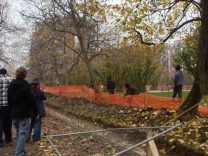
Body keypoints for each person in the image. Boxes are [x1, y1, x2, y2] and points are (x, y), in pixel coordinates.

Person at [8, 67, 38, 156]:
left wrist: (11, 111)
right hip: (24, 114)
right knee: (23, 133)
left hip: (14, 114)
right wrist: (36, 112)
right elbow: (31, 100)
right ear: (25, 75)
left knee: (18, 132)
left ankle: (21, 150)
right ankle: (19, 153)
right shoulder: (26, 86)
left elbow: (9, 99)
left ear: (16, 74)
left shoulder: (11, 85)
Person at [28, 78, 46, 142]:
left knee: (30, 124)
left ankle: (27, 137)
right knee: (37, 124)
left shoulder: (29, 91)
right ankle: (36, 138)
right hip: (38, 111)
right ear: (38, 84)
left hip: (31, 110)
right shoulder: (39, 92)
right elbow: (45, 97)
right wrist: (43, 91)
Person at [0, 68, 13, 148]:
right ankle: (8, 139)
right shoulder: (10, 80)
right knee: (8, 122)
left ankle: (0, 142)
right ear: (6, 72)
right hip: (8, 105)